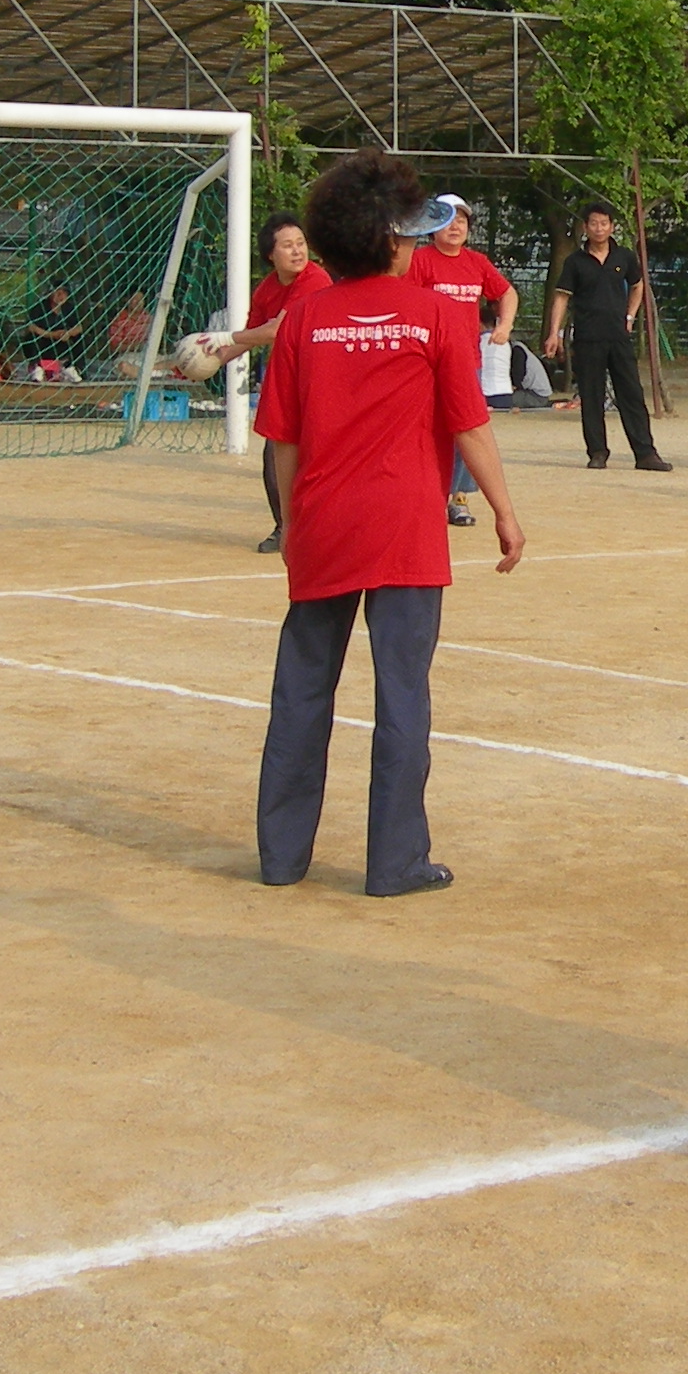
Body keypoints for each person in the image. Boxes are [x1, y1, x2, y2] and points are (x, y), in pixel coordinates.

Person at [257, 151, 524, 897]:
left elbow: (283, 442)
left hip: (323, 522)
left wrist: (293, 527)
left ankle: (281, 857)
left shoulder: (303, 318)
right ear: (389, 241)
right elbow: (470, 425)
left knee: (301, 690)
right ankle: (395, 861)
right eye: (407, 233)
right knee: (403, 694)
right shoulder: (434, 315)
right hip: (404, 526)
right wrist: (504, 511)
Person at [407, 194, 516, 527]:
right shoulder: (419, 261)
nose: (455, 226)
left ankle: (459, 498)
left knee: (467, 427)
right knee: (425, 430)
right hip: (426, 363)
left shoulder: (477, 262)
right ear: (431, 226)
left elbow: (506, 293)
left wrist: (505, 326)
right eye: (447, 219)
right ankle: (429, 496)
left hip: (467, 361)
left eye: (462, 220)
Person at [227, 213, 331, 553]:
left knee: (320, 458)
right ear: (270, 254)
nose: (298, 251)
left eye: (301, 243)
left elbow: (275, 330)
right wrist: (211, 356)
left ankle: (323, 529)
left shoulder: (315, 279)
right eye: (288, 246)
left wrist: (223, 338)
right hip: (288, 378)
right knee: (275, 457)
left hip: (323, 379)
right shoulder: (267, 288)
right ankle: (285, 527)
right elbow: (251, 335)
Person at [541, 201, 670, 471]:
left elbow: (637, 286)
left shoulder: (624, 257)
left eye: (604, 223)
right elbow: (562, 297)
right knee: (591, 396)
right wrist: (554, 333)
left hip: (618, 337)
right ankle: (597, 452)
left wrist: (630, 316)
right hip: (587, 337)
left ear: (612, 226)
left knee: (631, 394)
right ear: (585, 227)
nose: (599, 228)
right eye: (593, 223)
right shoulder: (575, 262)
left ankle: (645, 453)